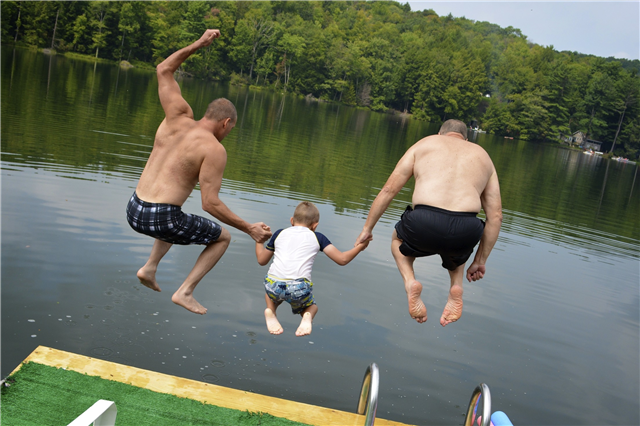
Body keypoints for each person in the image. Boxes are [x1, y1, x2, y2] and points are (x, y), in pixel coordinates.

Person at [126, 29, 271, 315]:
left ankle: (150, 267)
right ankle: (185, 291)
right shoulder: (214, 149)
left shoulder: (176, 115)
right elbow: (210, 203)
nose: (228, 134)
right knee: (222, 237)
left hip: (133, 208)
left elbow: (164, 69)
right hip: (160, 218)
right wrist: (249, 228)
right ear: (226, 123)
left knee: (176, 215)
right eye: (231, 130)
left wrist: (200, 43)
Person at [355, 119, 502, 327]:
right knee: (459, 252)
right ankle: (456, 288)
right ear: (466, 139)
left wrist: (367, 229)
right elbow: (495, 216)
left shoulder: (425, 144)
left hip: (423, 222)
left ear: (440, 134)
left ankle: (410, 283)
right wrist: (480, 261)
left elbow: (389, 190)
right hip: (466, 228)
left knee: (397, 241)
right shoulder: (483, 156)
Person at [255, 202, 369, 336]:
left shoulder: (279, 233)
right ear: (315, 225)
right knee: (311, 307)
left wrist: (259, 241)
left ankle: (270, 311)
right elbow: (342, 259)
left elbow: (262, 260)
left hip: (273, 284)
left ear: (292, 220)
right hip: (299, 287)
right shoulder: (318, 237)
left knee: (271, 294)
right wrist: (360, 247)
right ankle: (307, 316)